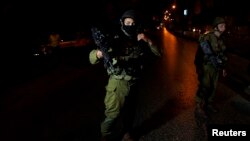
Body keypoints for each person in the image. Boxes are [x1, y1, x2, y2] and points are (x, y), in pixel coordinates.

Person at [89, 9, 162, 141]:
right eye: (127, 22)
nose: (130, 25)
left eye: (133, 23)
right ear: (122, 23)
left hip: (134, 82)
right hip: (118, 84)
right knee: (112, 114)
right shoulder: (113, 37)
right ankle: (105, 136)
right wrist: (99, 53)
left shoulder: (141, 38)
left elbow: (159, 53)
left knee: (130, 112)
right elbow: (92, 58)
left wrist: (148, 40)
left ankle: (126, 133)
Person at [194, 17, 228, 117]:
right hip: (206, 67)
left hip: (216, 68)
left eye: (224, 25)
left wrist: (224, 68)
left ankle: (208, 104)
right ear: (216, 27)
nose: (224, 27)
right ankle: (198, 107)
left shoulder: (220, 40)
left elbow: (222, 55)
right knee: (204, 86)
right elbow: (201, 53)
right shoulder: (207, 37)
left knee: (213, 87)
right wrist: (199, 68)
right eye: (221, 25)